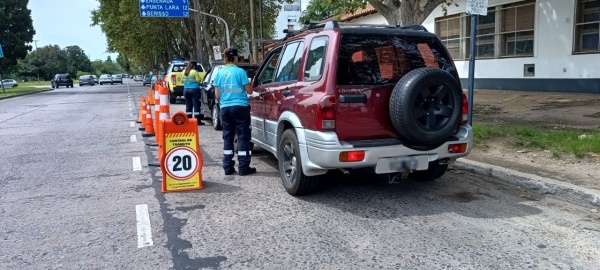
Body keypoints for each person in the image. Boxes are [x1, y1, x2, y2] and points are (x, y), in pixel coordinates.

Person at [213, 48, 256, 176]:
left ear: (225, 59)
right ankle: (243, 167)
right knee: (243, 136)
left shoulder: (219, 73)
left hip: (225, 108)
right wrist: (252, 84)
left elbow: (217, 95)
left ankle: (227, 167)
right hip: (240, 107)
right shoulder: (240, 72)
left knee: (228, 136)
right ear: (236, 58)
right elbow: (249, 91)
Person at [182, 60, 206, 125]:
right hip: (194, 90)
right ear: (194, 65)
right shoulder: (194, 72)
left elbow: (182, 81)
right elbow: (198, 80)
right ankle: (197, 120)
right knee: (196, 105)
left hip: (186, 90)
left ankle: (188, 119)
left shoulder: (184, 71)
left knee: (188, 105)